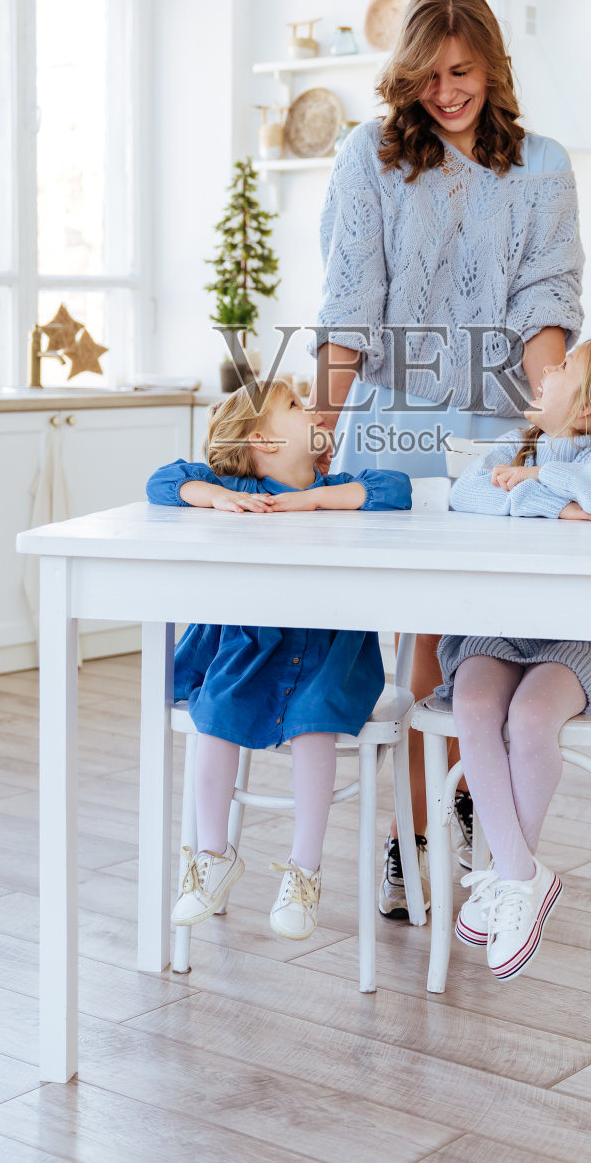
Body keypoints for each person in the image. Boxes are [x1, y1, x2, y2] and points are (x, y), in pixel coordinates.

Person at [308, 0, 584, 918]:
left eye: (461, 72)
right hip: (394, 419)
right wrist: (315, 428)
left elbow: (545, 305)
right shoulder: (372, 156)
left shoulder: (542, 165)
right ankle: (409, 840)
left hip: (496, 427)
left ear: (493, 67)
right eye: (426, 75)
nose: (445, 91)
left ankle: (457, 813)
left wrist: (550, 429)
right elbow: (349, 307)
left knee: (479, 635)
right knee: (421, 635)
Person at [145, 379, 411, 942]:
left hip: (330, 652)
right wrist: (215, 497)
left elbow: (396, 488)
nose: (312, 407)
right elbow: (162, 480)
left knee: (316, 725)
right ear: (263, 440)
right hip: (252, 643)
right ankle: (212, 855)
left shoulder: (337, 486)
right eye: (295, 405)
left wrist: (314, 499)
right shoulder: (237, 486)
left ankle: (304, 871)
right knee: (213, 713)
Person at [441, 337, 591, 980]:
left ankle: (513, 876)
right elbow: (466, 496)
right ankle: (521, 877)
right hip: (499, 630)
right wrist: (549, 501)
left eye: (566, 367)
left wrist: (545, 479)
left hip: (576, 640)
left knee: (533, 718)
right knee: (476, 703)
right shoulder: (510, 449)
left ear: (590, 409)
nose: (547, 370)